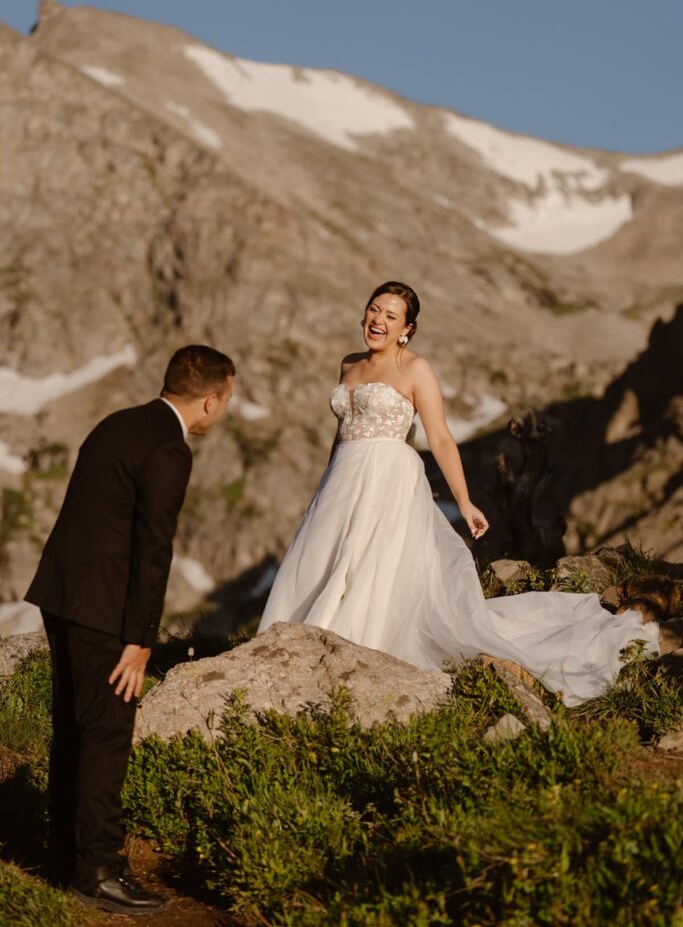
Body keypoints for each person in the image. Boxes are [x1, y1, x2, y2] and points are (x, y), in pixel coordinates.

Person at [258, 281, 660, 705]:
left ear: (406, 329)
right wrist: (327, 483)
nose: (378, 320)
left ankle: (352, 646)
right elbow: (342, 434)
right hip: (342, 480)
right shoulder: (348, 365)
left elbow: (442, 439)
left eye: (391, 316)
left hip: (387, 477)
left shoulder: (416, 369)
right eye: (374, 310)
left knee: (369, 566)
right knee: (322, 563)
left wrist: (465, 502)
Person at [25, 344, 235, 915]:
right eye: (227, 400)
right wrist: (140, 639)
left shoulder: (116, 423)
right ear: (211, 401)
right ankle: (98, 871)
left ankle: (63, 854)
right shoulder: (169, 448)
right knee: (107, 735)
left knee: (72, 726)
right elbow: (152, 552)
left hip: (61, 592)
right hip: (104, 608)